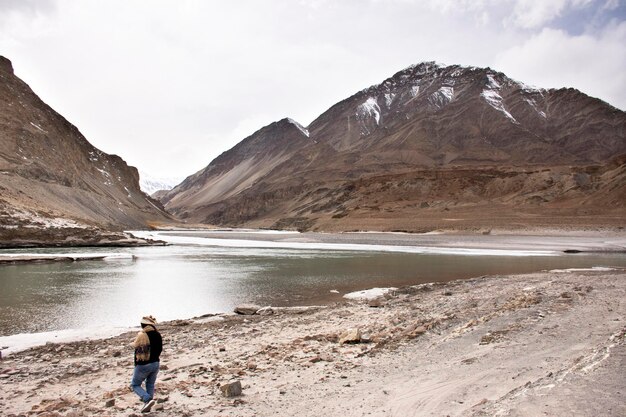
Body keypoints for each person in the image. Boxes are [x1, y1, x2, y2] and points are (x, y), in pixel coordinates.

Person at [130, 315, 162, 413]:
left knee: (135, 385)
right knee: (150, 383)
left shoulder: (142, 335)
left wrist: (137, 365)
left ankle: (147, 399)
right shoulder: (157, 334)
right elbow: (160, 349)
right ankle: (148, 404)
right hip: (156, 363)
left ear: (143, 325)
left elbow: (138, 351)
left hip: (143, 365)